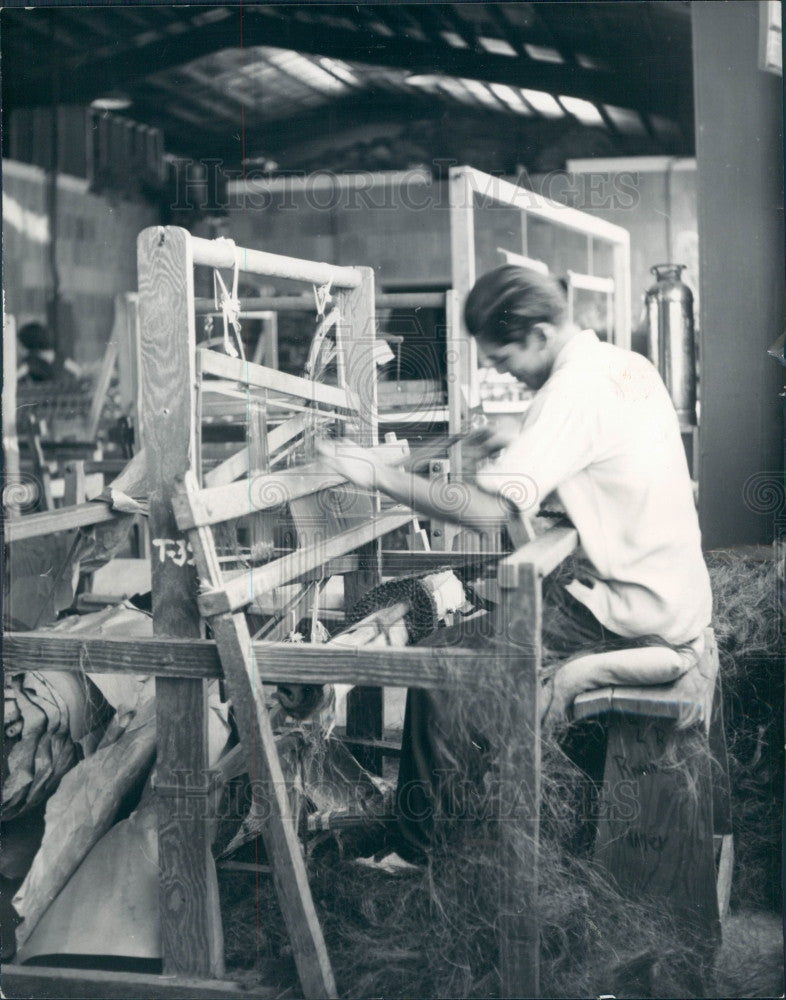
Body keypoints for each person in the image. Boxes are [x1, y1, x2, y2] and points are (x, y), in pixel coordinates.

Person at [318, 264, 712, 853]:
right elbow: (588, 472)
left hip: (630, 613)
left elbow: (484, 515)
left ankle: (418, 854)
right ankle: (463, 819)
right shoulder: (627, 366)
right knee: (479, 623)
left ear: (540, 336)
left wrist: (383, 478)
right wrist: (515, 456)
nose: (505, 371)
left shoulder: (569, 391)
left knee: (437, 669)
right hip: (673, 594)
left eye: (505, 359)